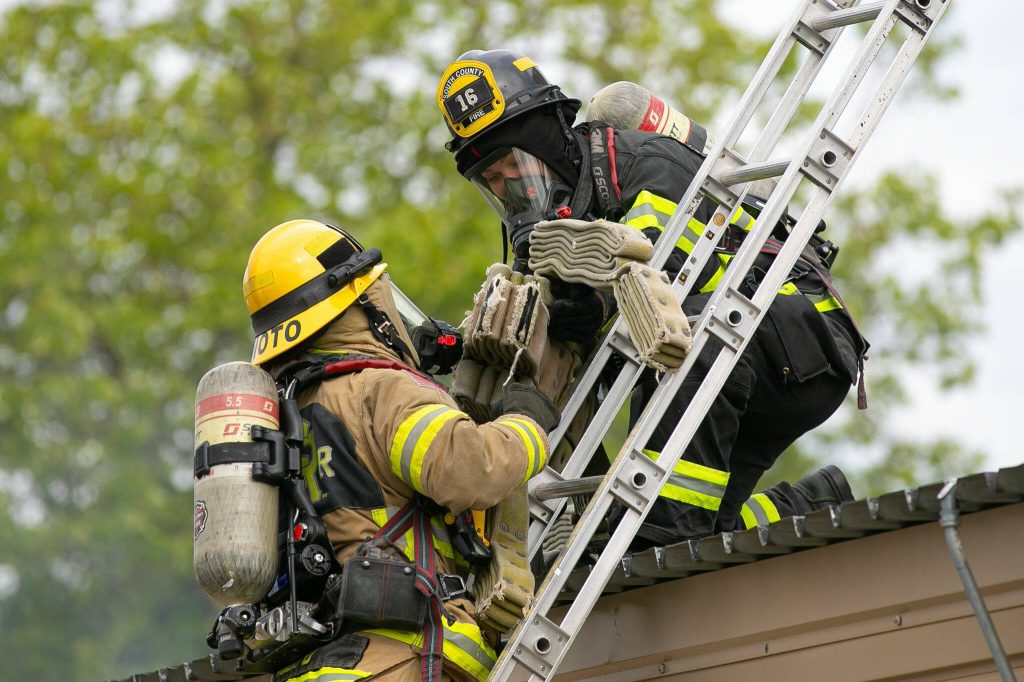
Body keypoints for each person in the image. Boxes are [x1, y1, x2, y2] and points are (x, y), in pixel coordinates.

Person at [435, 49, 870, 544]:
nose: (507, 184)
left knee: (679, 338)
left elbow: (660, 281)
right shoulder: (546, 230)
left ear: (548, 142)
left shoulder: (644, 163)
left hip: (796, 334)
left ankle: (655, 528)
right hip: (739, 372)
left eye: (513, 163)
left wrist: (594, 305)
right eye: (490, 179)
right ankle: (811, 503)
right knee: (714, 529)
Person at [243, 219, 561, 681]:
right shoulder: (378, 390)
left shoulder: (276, 412)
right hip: (405, 658)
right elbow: (468, 469)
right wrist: (528, 423)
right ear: (361, 304)